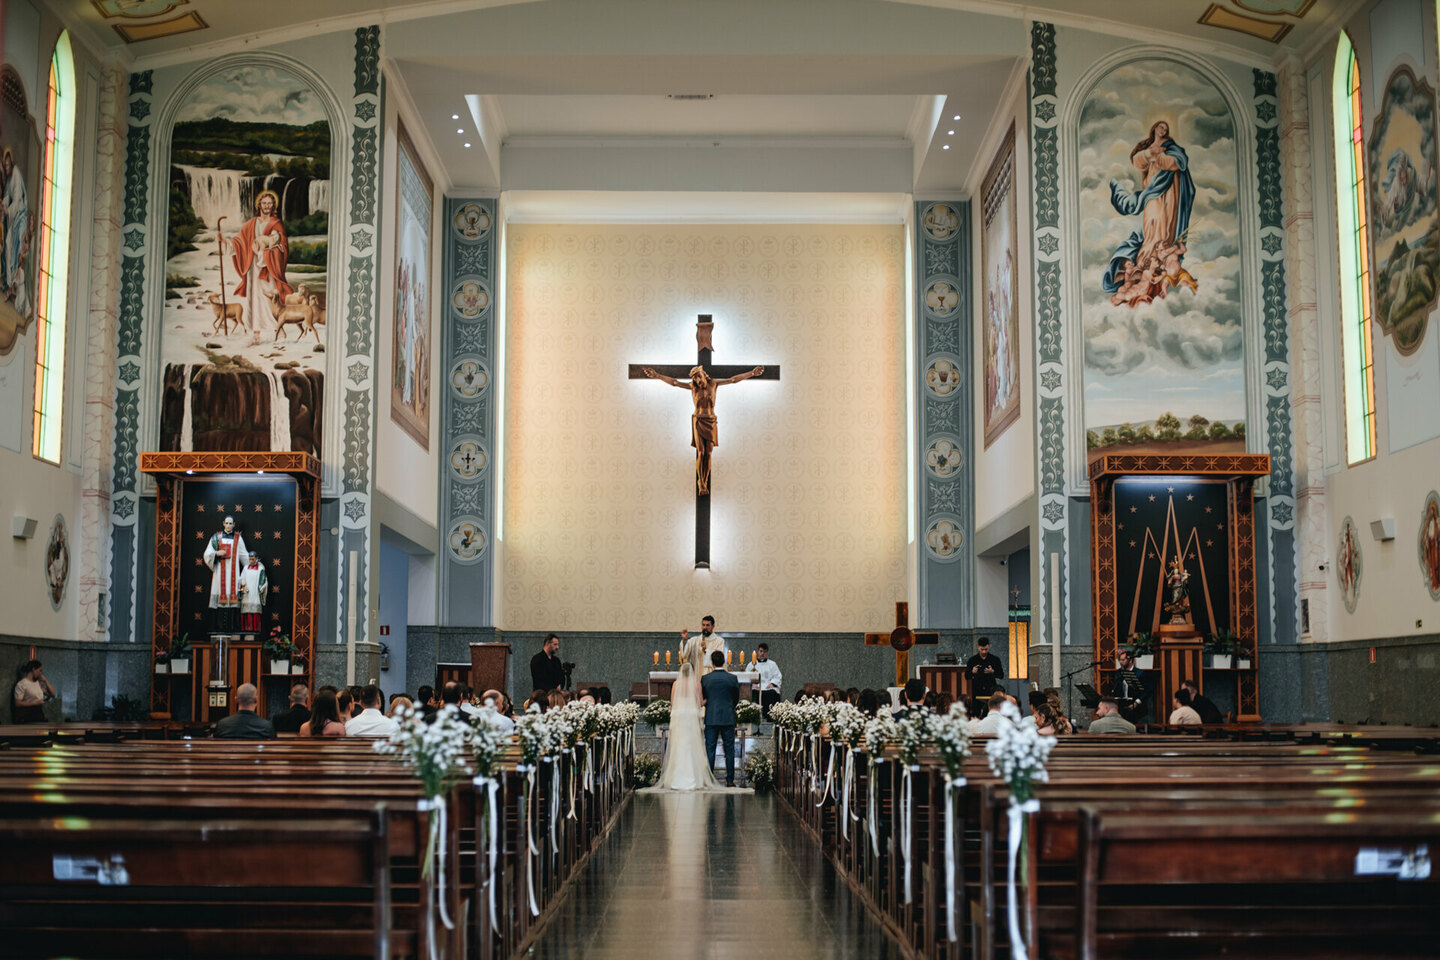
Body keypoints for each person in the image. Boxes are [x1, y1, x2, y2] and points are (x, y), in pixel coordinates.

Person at [1104, 120, 1196, 307]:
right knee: (1152, 222)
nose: (1163, 129)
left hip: (1169, 194)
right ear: (1154, 128)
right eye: (1161, 126)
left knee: (1165, 224)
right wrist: (1151, 154)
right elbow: (1138, 161)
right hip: (1152, 195)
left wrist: (1159, 158)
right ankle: (1146, 258)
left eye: (1166, 128)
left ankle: (1155, 259)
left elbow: (1178, 163)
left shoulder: (1171, 148)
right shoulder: (1148, 149)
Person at [642, 364, 765, 494]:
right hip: (698, 420)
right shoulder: (693, 387)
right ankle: (701, 483)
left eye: (698, 376)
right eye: (694, 378)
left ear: (704, 374)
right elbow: (674, 382)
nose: (697, 380)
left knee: (709, 453)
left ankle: (705, 480)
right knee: (701, 452)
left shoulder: (714, 384)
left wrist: (752, 373)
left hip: (711, 421)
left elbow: (733, 380)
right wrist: (657, 376)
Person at [653, 631, 723, 791]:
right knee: (692, 748)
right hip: (691, 719)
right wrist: (708, 701)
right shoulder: (696, 684)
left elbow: (672, 705)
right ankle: (694, 779)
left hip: (679, 720)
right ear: (691, 672)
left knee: (679, 748)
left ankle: (676, 778)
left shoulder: (676, 685)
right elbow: (700, 703)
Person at [225, 189, 292, 344]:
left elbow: (281, 246)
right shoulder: (251, 224)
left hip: (268, 267)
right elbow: (239, 241)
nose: (267, 206)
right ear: (259, 204)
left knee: (269, 296)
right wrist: (226, 242)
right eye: (264, 203)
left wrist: (263, 253)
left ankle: (277, 328)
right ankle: (256, 331)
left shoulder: (276, 224)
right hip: (253, 269)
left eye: (270, 203)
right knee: (254, 298)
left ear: (273, 205)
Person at [701, 651, 741, 786]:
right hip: (728, 717)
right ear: (724, 661)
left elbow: (704, 697)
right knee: (729, 749)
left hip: (711, 717)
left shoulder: (705, 679)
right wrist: (729, 707)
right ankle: (730, 780)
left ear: (712, 663)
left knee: (710, 749)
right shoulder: (732, 678)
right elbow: (736, 698)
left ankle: (710, 780)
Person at [203, 516, 249, 633]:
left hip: (234, 575)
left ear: (234, 525)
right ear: (223, 524)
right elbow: (207, 554)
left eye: (231, 523)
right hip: (219, 574)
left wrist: (255, 566)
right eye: (226, 523)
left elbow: (244, 556)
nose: (228, 525)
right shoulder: (216, 537)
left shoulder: (238, 538)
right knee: (218, 596)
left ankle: (232, 629)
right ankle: (218, 628)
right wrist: (217, 553)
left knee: (233, 598)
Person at [1112, 648, 1150, 723]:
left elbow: (1147, 691)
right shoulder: (1119, 672)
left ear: (1130, 660)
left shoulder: (1140, 673)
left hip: (1137, 708)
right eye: (1120, 660)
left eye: (1123, 660)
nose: (1120, 662)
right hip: (1122, 708)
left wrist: (1137, 702)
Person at [12, 659, 55, 724]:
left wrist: (45, 681)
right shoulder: (22, 684)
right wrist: (35, 703)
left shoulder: (38, 683)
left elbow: (53, 694)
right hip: (27, 715)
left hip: (39, 713)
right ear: (34, 669)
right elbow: (18, 703)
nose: (40, 673)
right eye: (39, 671)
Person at [752, 642, 782, 718]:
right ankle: (754, 717)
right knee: (752, 693)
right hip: (756, 688)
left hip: (768, 687)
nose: (762, 654)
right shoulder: (751, 664)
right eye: (761, 651)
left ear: (767, 652)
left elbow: (778, 676)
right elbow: (747, 676)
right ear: (757, 651)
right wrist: (752, 684)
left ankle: (770, 717)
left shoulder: (772, 664)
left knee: (772, 694)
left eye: (764, 652)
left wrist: (772, 683)